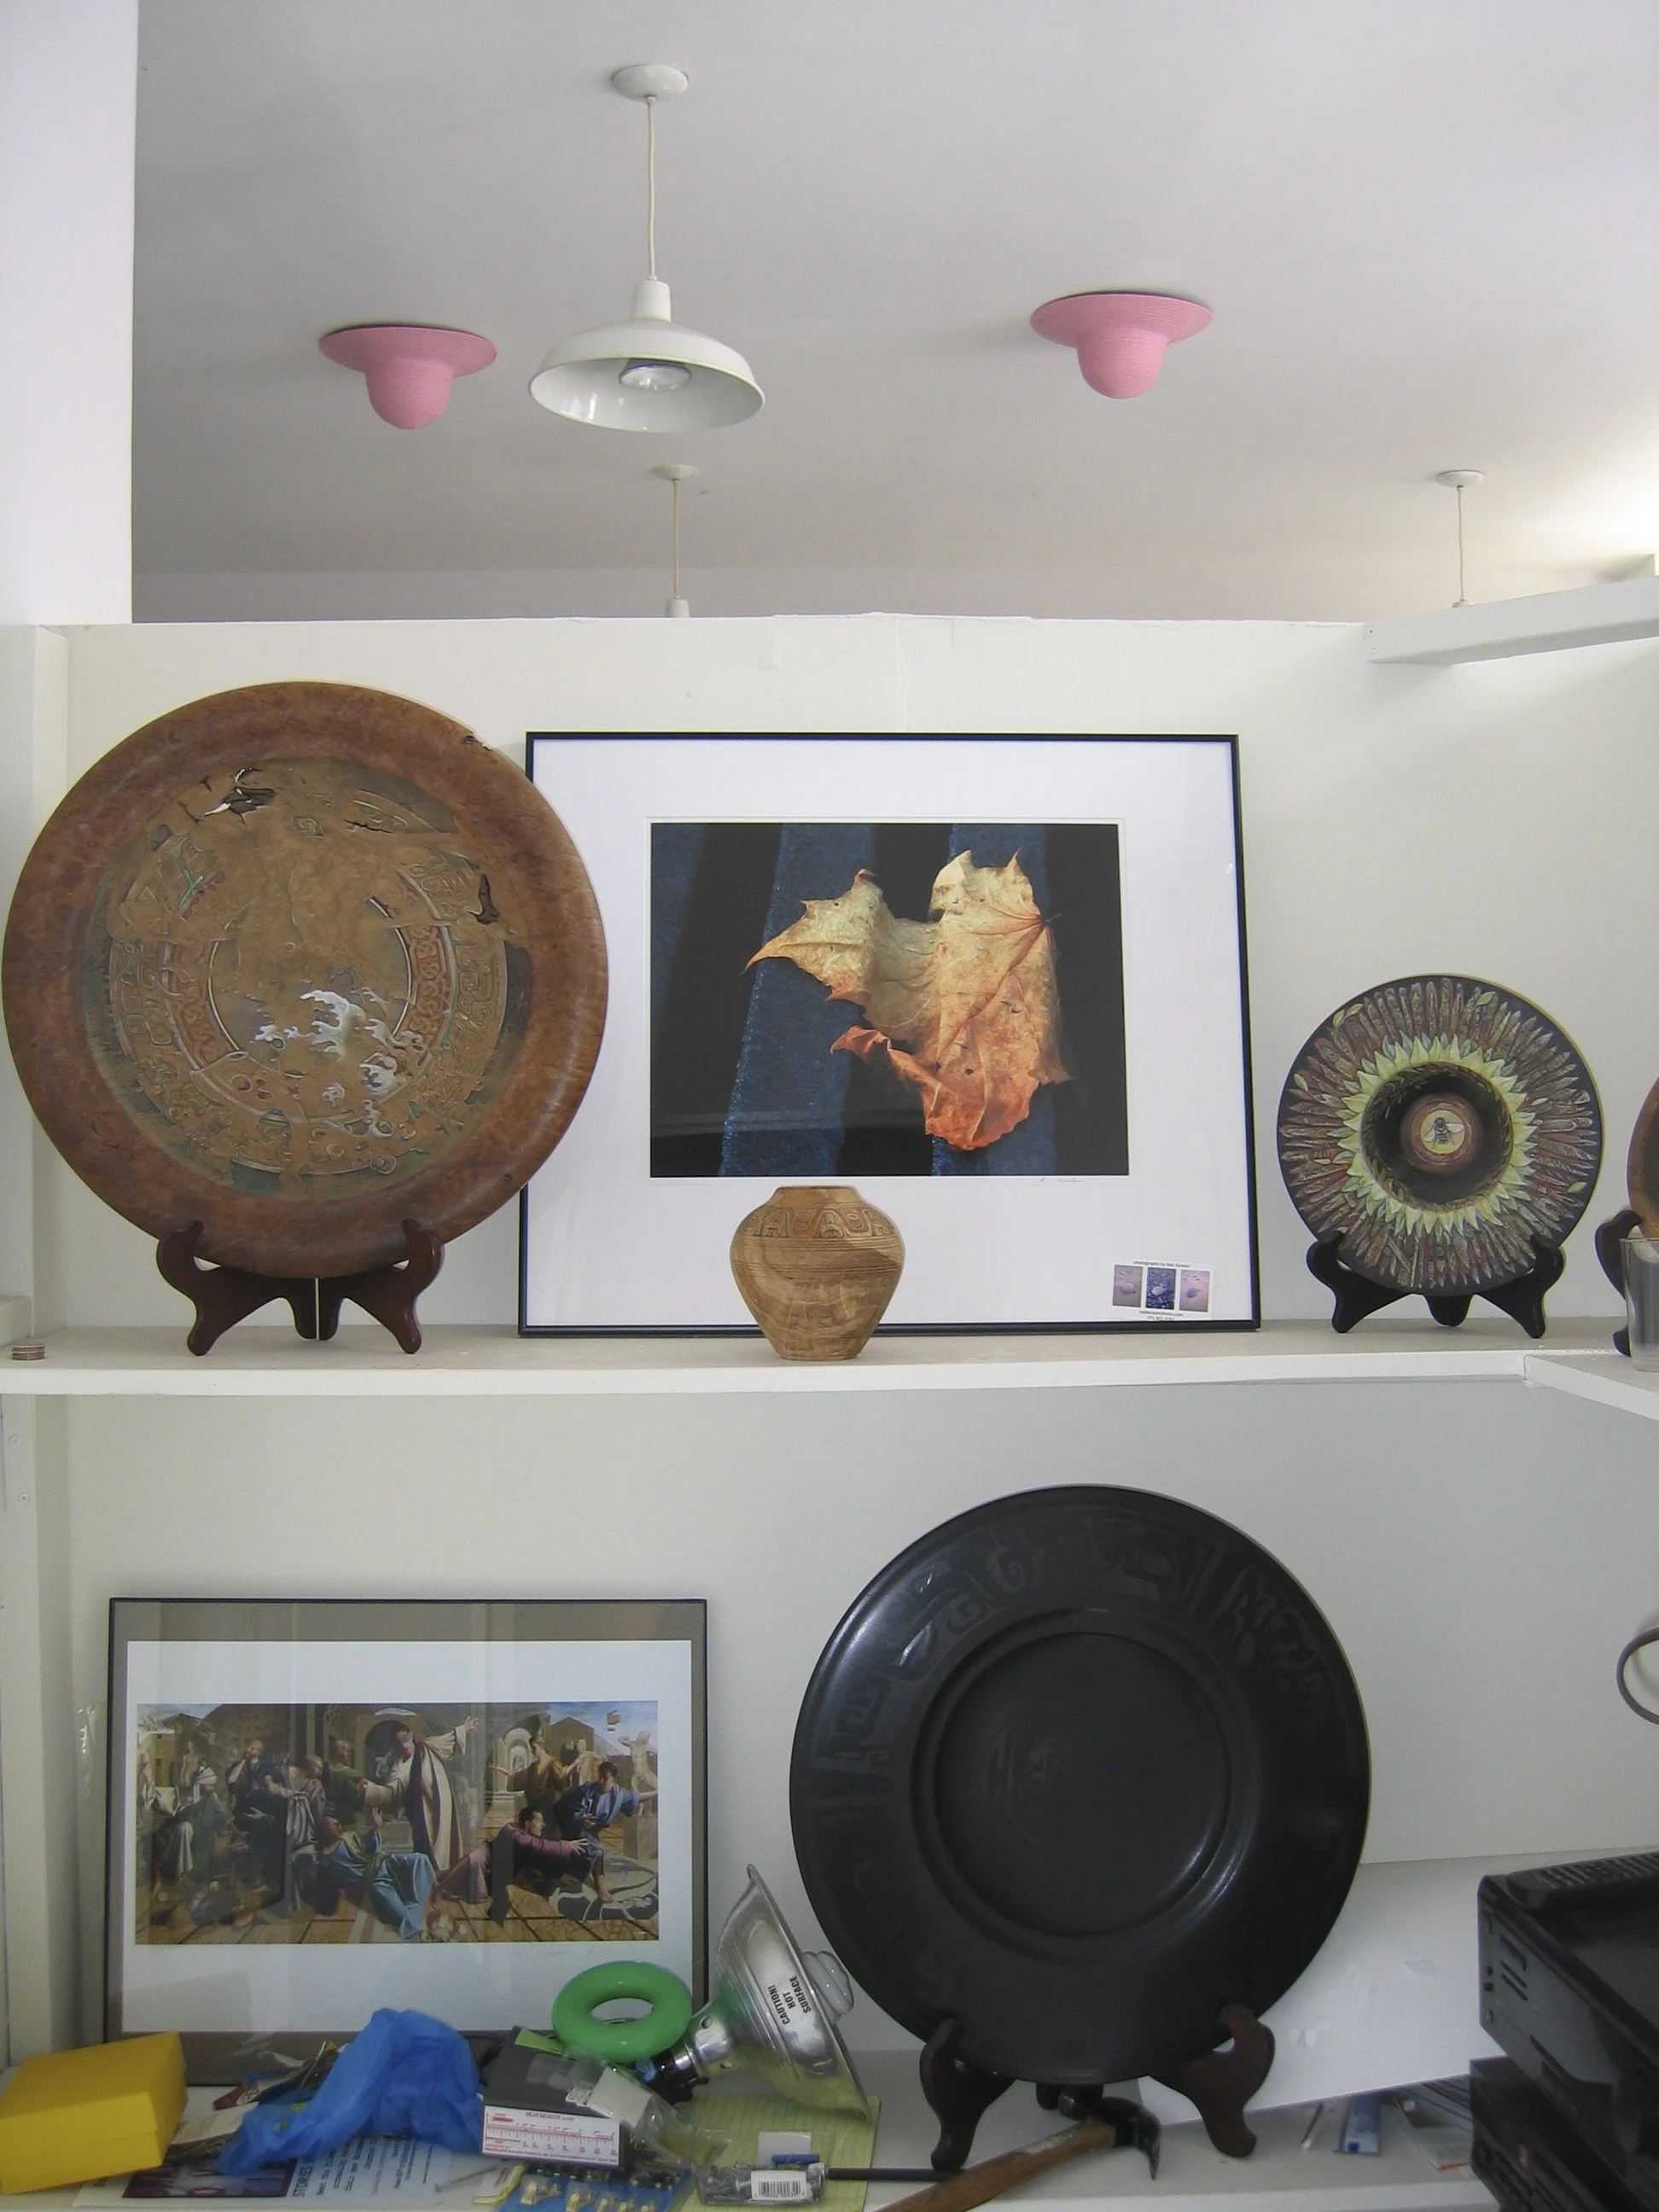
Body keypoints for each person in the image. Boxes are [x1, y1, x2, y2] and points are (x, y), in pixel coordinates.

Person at [437, 1807, 611, 1924]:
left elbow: (539, 1849)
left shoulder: (524, 1833)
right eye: (539, 1821)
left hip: (496, 1871)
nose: (542, 1825)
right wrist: (566, 1846)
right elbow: (537, 1846)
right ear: (528, 1823)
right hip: (479, 1865)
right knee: (451, 1884)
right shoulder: (512, 1832)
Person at [361, 1717, 477, 1872]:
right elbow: (392, 1791)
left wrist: (464, 1728)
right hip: (420, 1814)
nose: (404, 1746)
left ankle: (445, 1877)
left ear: (412, 1738)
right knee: (424, 1850)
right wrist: (370, 1788)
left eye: (405, 1740)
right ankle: (430, 1879)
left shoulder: (426, 1746)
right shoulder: (399, 1765)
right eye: (399, 1743)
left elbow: (449, 1739)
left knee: (442, 1848)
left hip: (439, 1807)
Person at [307, 1814, 438, 1942]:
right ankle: (417, 1927)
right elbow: (338, 1884)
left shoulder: (348, 1838)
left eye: (338, 1823)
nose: (338, 1826)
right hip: (374, 1881)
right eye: (334, 1824)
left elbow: (370, 1846)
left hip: (383, 1863)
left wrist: (376, 1827)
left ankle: (423, 1900)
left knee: (420, 1859)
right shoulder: (325, 1862)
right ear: (325, 1830)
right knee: (399, 1913)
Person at [551, 1761, 641, 1842]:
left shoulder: (617, 1794)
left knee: (596, 1851)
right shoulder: (584, 1791)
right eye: (599, 1777)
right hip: (572, 1835)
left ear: (614, 1780)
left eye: (605, 1778)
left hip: (590, 1836)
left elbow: (635, 1797)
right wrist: (578, 1820)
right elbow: (560, 1808)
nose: (600, 1781)